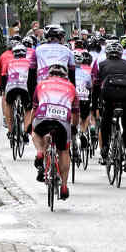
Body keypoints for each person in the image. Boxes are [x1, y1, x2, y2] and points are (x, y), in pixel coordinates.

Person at [31, 64, 79, 200]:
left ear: (49, 75)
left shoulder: (41, 84)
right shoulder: (71, 87)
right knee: (64, 151)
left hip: (43, 117)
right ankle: (64, 186)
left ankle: (40, 152)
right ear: (65, 76)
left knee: (36, 132)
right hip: (63, 121)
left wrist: (30, 125)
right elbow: (76, 113)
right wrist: (74, 127)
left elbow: (34, 109)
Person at [92, 41, 126, 172]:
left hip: (109, 97)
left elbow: (95, 86)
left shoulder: (100, 64)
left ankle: (105, 148)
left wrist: (95, 106)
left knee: (105, 121)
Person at [3, 43, 35, 141]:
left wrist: (4, 90)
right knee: (28, 109)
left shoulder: (10, 62)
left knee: (8, 104)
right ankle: (25, 132)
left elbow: (4, 76)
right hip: (24, 87)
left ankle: (10, 130)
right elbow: (32, 77)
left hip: (11, 86)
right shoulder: (29, 62)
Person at [74, 51, 94, 149]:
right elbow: (90, 86)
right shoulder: (86, 74)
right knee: (86, 116)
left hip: (73, 99)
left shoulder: (68, 74)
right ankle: (83, 131)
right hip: (84, 98)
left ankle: (74, 132)